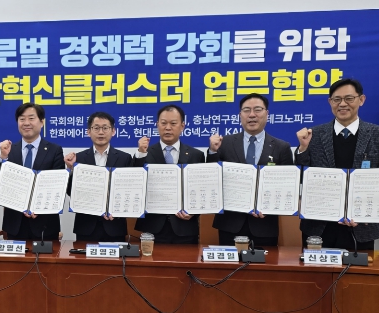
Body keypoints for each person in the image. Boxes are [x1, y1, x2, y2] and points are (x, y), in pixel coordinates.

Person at [296, 78, 379, 250]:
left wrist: (366, 212)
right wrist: (303, 149)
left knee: (358, 269)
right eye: (337, 99)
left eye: (349, 98)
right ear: (330, 102)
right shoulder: (313, 134)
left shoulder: (376, 134)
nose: (342, 104)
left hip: (360, 226)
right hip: (319, 227)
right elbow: (301, 175)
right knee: (314, 269)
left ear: (361, 100)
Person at [206, 93, 293, 246]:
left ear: (267, 114)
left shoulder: (281, 147)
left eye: (257, 110)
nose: (252, 115)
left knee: (265, 262)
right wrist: (213, 151)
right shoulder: (223, 143)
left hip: (264, 225)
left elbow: (287, 186)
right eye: (246, 110)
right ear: (240, 115)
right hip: (230, 224)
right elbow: (211, 178)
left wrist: (270, 207)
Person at [133, 105, 205, 244]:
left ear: (182, 126)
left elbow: (202, 189)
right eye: (163, 123)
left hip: (184, 227)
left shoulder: (196, 155)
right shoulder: (144, 153)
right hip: (152, 228)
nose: (167, 128)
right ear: (157, 125)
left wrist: (194, 211)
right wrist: (141, 154)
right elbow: (134, 183)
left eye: (173, 123)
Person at [0, 103, 65, 241]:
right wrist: (3, 157)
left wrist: (39, 207)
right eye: (22, 119)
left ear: (42, 122)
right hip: (15, 225)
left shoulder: (54, 150)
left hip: (44, 224)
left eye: (31, 118)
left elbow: (57, 187)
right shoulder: (9, 150)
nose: (26, 123)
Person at [64, 111, 132, 242]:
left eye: (105, 128)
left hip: (114, 225)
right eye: (96, 128)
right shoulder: (79, 158)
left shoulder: (124, 158)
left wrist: (117, 211)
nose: (101, 132)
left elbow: (127, 191)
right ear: (89, 132)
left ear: (113, 131)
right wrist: (70, 169)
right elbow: (70, 192)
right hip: (86, 226)